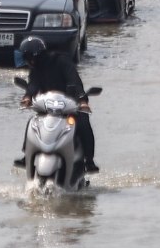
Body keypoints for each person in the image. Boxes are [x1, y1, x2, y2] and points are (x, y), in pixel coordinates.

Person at [14, 36, 98, 173]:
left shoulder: (62, 61)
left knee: (83, 123)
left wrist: (82, 100)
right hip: (48, 106)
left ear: (36, 56)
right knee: (32, 122)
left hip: (70, 105)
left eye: (28, 57)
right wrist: (28, 97)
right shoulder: (36, 69)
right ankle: (27, 156)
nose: (28, 61)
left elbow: (74, 80)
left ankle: (89, 161)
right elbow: (33, 84)